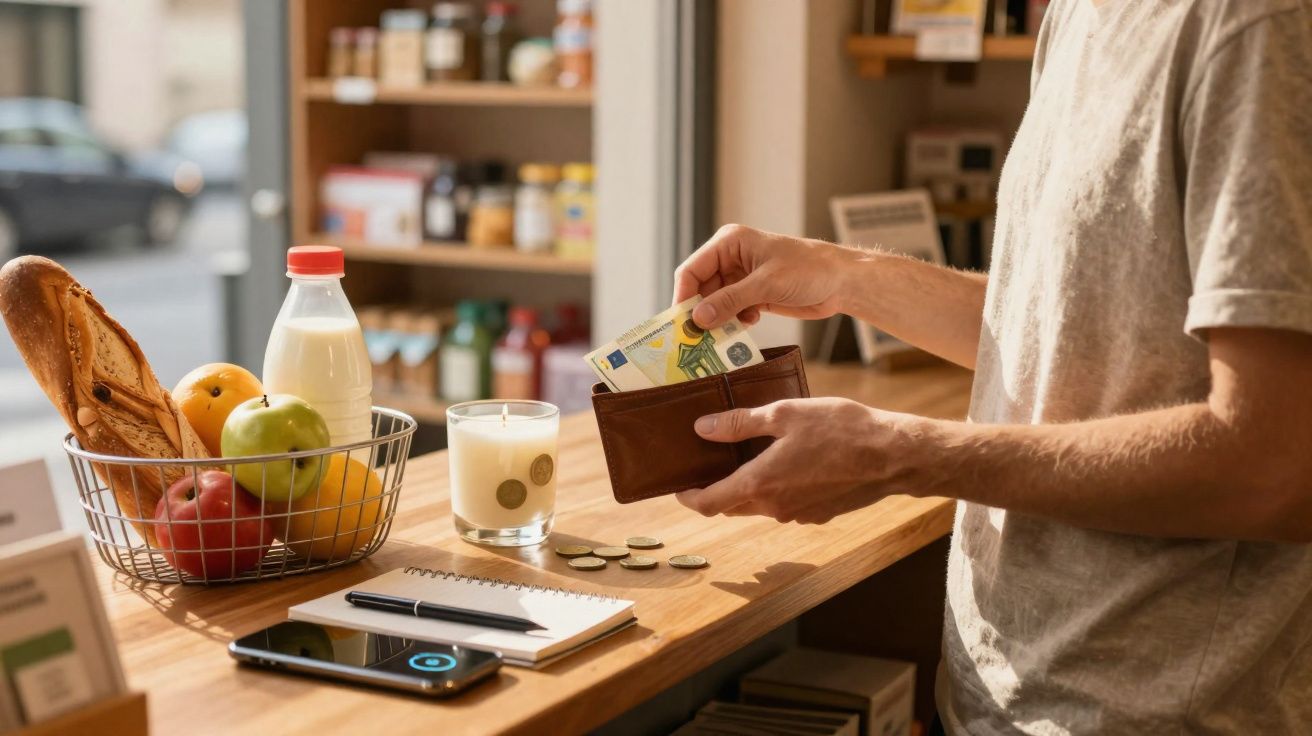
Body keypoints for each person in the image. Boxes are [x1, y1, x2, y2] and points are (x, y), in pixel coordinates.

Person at [671, 1, 1312, 733]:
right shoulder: (1078, 13)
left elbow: (1276, 467)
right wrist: (842, 273)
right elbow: (1075, 334)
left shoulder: (1258, 25)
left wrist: (898, 454)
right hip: (993, 700)